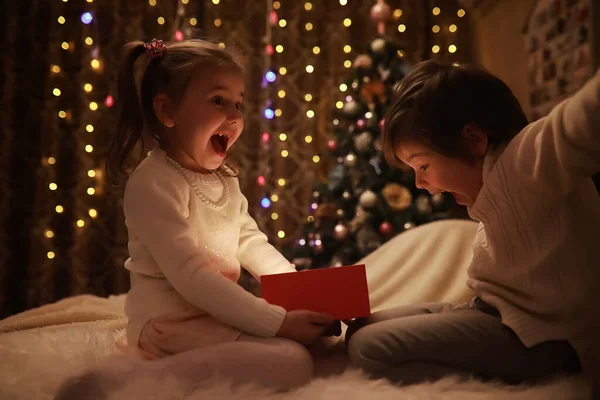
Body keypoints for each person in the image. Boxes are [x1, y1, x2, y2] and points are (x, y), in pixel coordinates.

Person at [55, 38, 336, 399]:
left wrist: (301, 297)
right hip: (168, 323)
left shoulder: (227, 180)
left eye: (238, 103)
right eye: (218, 101)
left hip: (212, 317)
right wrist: (276, 322)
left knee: (311, 350)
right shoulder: (153, 181)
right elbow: (191, 276)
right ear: (167, 111)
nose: (234, 116)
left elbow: (250, 244)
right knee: (292, 361)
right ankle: (123, 381)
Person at [345, 60, 600, 393]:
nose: (420, 183)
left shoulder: (525, 160)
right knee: (361, 326)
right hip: (491, 311)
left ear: (474, 140)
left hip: (543, 336)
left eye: (422, 165)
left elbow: (580, 121)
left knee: (370, 348)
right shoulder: (487, 185)